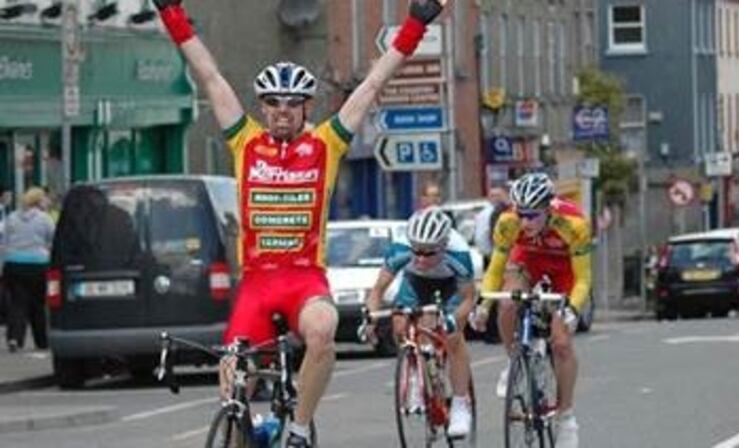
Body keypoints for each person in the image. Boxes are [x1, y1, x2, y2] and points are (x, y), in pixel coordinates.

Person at [153, 0, 448, 446]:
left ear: (307, 107)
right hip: (256, 282)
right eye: (273, 103)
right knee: (233, 386)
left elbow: (370, 86)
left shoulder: (326, 144)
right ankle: (242, 432)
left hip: (304, 279)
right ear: (263, 107)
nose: (283, 111)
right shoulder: (244, 140)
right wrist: (170, 12)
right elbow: (209, 75)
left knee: (323, 331)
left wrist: (414, 24)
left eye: (293, 104)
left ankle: (299, 427)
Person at [472, 172, 592, 448]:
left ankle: (566, 415)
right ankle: (514, 360)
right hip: (527, 261)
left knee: (561, 343)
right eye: (522, 214)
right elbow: (496, 269)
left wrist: (572, 308)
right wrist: (483, 304)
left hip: (564, 270)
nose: (526, 222)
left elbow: (584, 278)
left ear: (549, 208)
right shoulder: (508, 222)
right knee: (507, 302)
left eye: (533, 215)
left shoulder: (574, 224)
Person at [363, 207, 475, 437]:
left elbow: (469, 299)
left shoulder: (459, 252)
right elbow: (377, 290)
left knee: (453, 337)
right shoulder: (401, 249)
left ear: (444, 245)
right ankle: (414, 374)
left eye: (429, 253)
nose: (422, 258)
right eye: (417, 252)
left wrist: (454, 320)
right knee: (401, 322)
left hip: (450, 284)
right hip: (416, 282)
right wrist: (369, 319)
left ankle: (461, 404)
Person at [2, 187, 55, 352]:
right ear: (39, 201)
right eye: (45, 199)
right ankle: (42, 341)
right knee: (38, 303)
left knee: (17, 303)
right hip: (38, 264)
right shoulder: (45, 218)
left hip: (13, 264)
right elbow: (52, 238)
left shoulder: (11, 217)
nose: (47, 201)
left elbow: (5, 240)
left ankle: (14, 338)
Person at [474, 184, 510, 267]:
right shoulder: (483, 213)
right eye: (492, 195)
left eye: (498, 195)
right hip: (487, 256)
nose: (495, 198)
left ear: (506, 195)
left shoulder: (507, 211)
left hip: (501, 255)